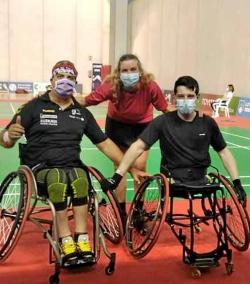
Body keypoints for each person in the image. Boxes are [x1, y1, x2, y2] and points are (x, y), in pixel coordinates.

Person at [0, 60, 129, 265]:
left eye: (70, 78)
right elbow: (5, 141)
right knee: (58, 178)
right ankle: (65, 239)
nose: (65, 81)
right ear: (52, 80)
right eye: (60, 77)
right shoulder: (33, 107)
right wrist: (9, 135)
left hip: (71, 166)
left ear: (75, 82)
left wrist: (128, 166)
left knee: (80, 178)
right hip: (40, 169)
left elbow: (104, 144)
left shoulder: (82, 113)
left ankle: (82, 238)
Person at [100, 76, 247, 208]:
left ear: (197, 97)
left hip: (201, 178)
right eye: (181, 96)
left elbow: (224, 152)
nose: (185, 100)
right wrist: (118, 175)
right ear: (174, 98)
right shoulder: (162, 122)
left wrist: (237, 182)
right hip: (173, 180)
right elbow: (138, 147)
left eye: (190, 96)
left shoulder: (208, 123)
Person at [77, 53, 168, 219]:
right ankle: (121, 213)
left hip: (142, 127)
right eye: (124, 70)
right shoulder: (111, 85)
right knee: (120, 167)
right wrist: (60, 100)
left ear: (140, 71)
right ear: (118, 73)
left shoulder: (150, 86)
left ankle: (138, 212)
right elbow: (87, 101)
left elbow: (165, 108)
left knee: (140, 167)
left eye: (133, 69)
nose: (129, 73)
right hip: (117, 126)